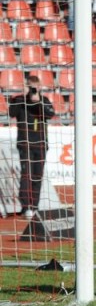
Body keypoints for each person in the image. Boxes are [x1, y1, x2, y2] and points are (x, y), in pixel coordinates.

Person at [9, 76, 54, 217]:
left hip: (40, 144)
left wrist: (38, 100)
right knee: (26, 175)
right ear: (27, 86)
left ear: (40, 87)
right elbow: (11, 113)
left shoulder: (44, 100)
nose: (34, 89)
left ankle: (35, 206)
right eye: (31, 87)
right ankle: (26, 206)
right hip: (25, 143)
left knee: (37, 176)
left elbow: (51, 113)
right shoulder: (19, 100)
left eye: (36, 87)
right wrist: (24, 96)